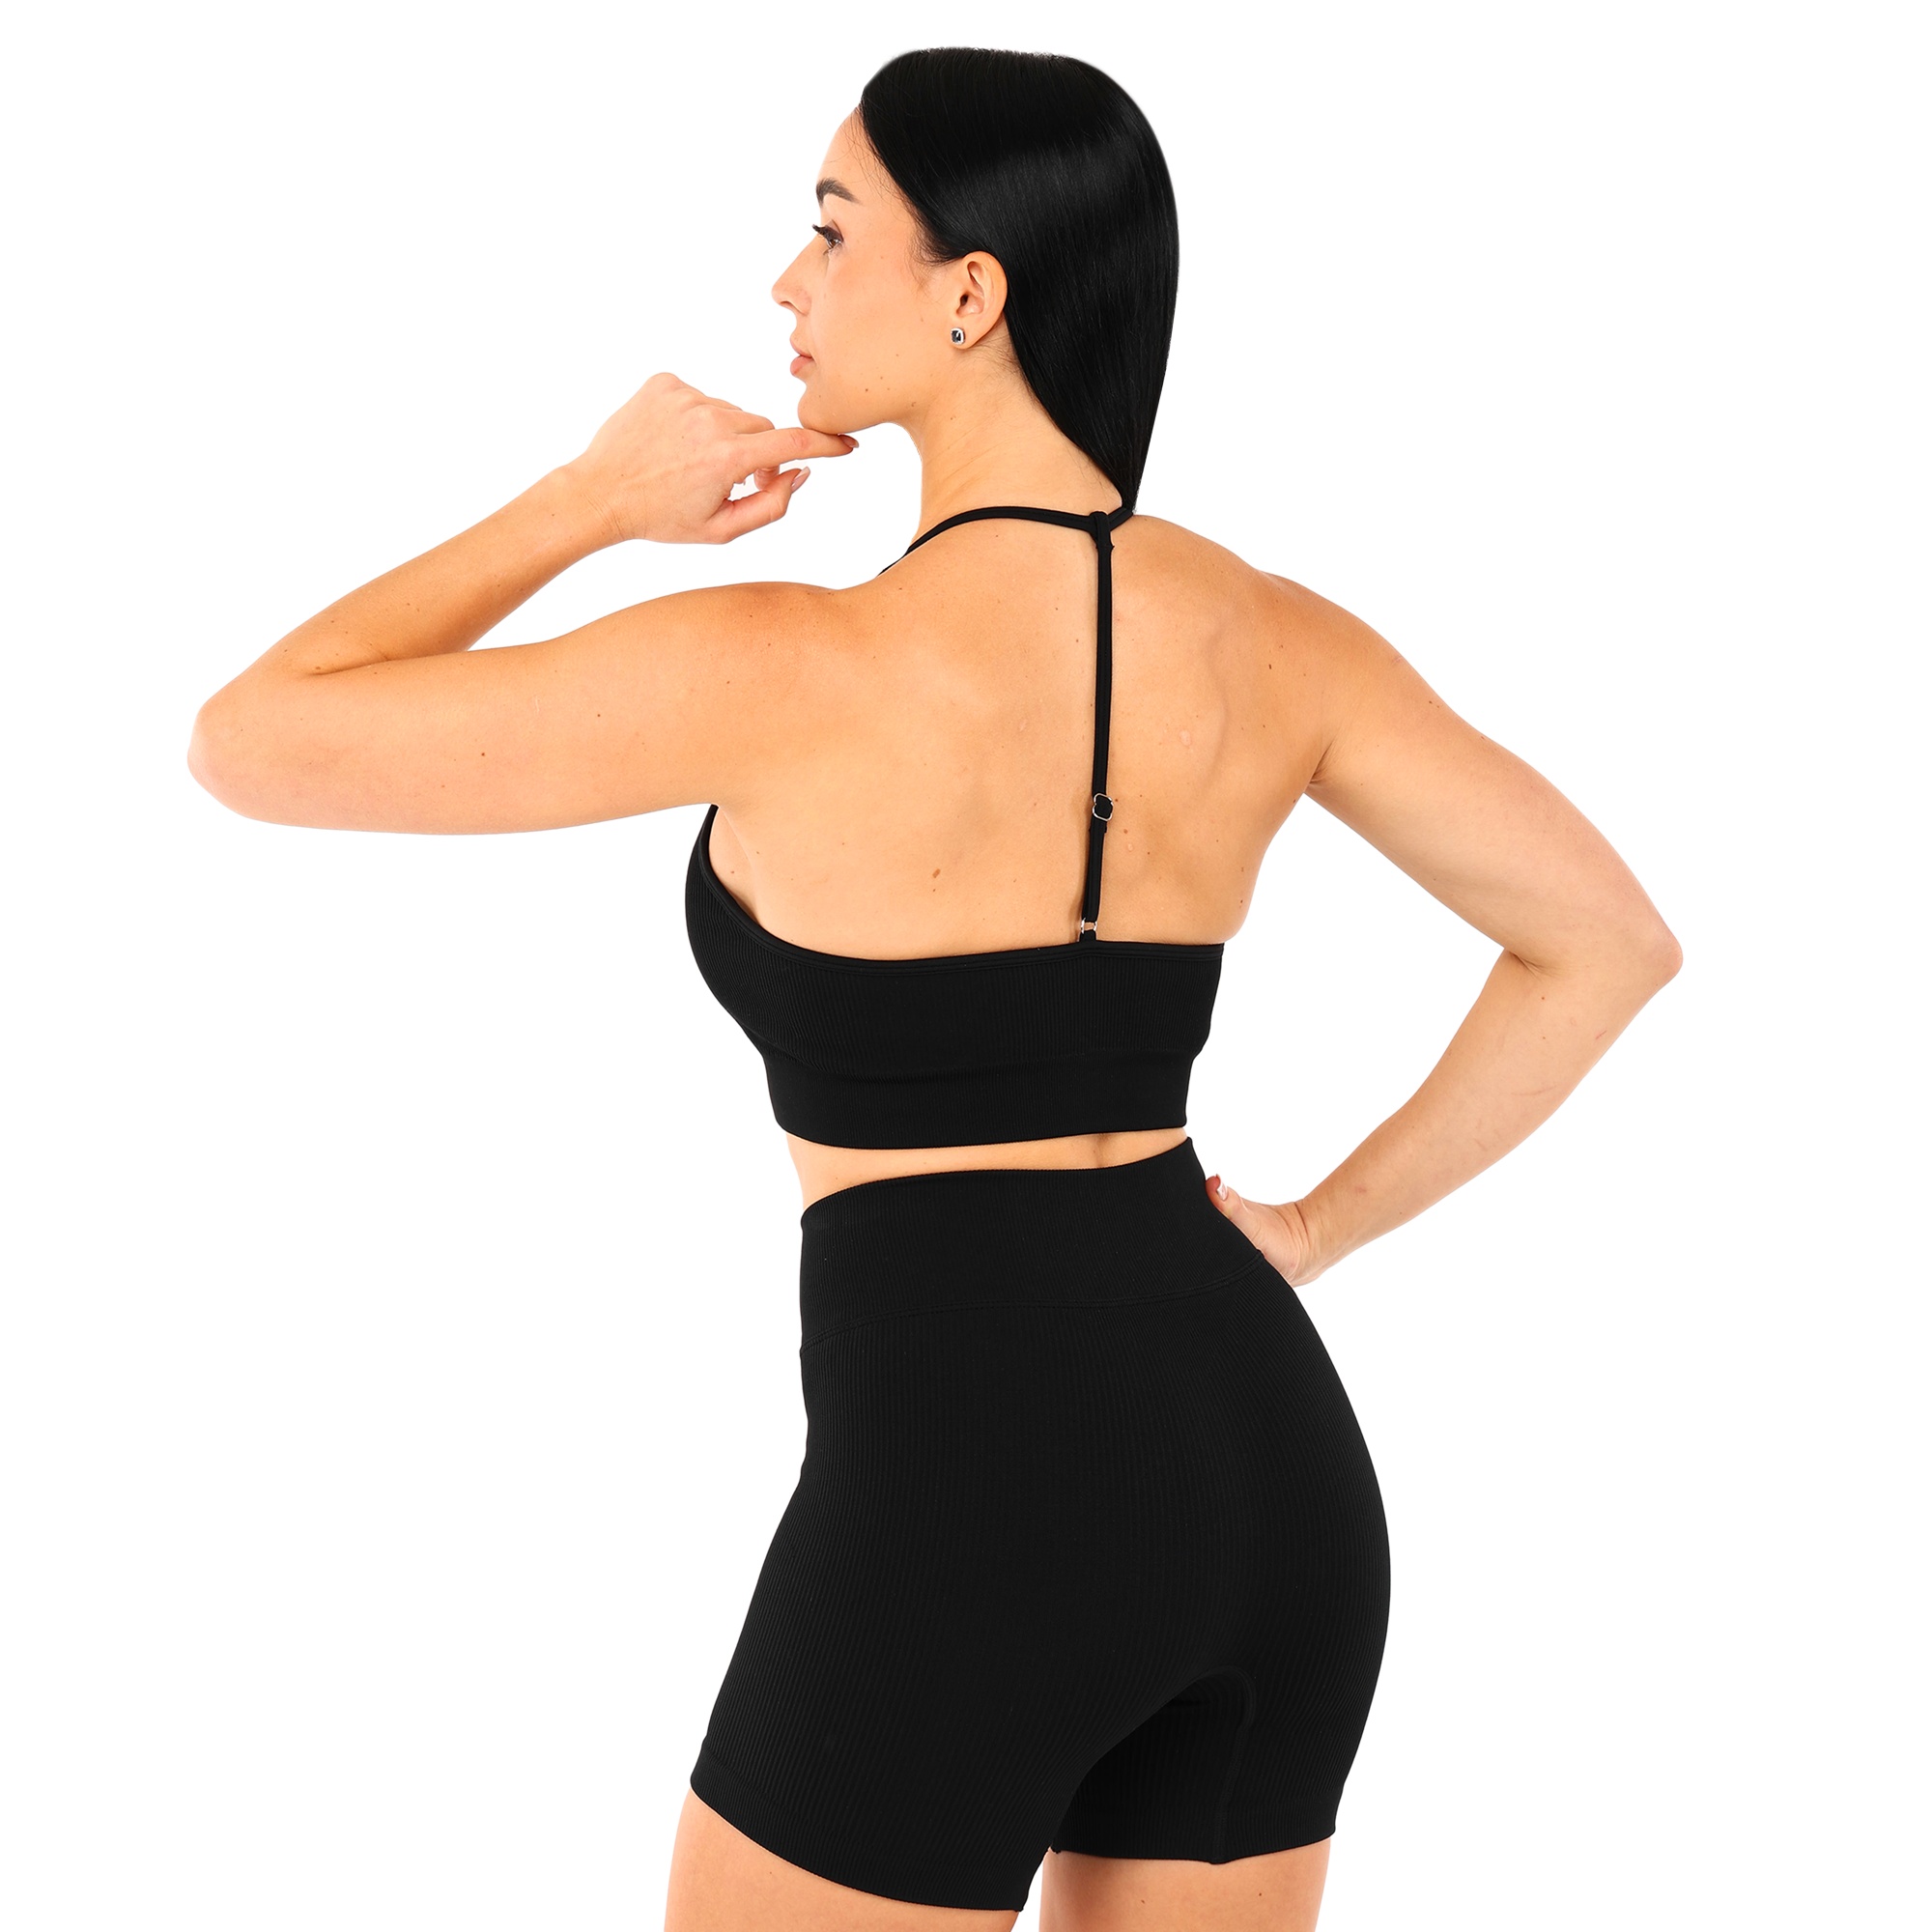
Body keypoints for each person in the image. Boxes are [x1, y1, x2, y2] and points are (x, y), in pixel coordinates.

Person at [187, 45, 1679, 1932]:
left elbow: (255, 738)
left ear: (971, 293)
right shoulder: (1280, 639)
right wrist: (1307, 1232)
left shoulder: (783, 667)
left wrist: (586, 499)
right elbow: (1604, 939)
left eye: (829, 232)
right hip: (1271, 1475)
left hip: (977, 1490)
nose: (785, 283)